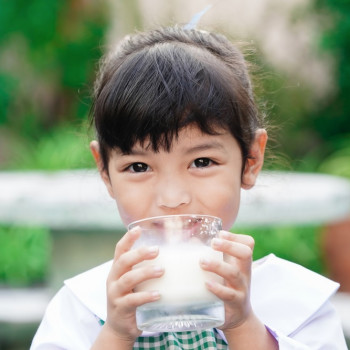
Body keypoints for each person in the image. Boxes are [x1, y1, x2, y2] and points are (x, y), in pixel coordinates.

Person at [31, 26, 347, 349]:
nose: (172, 198)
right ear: (104, 170)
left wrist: (242, 325)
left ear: (250, 159)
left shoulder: (297, 304)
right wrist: (116, 334)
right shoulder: (81, 311)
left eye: (202, 162)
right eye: (138, 167)